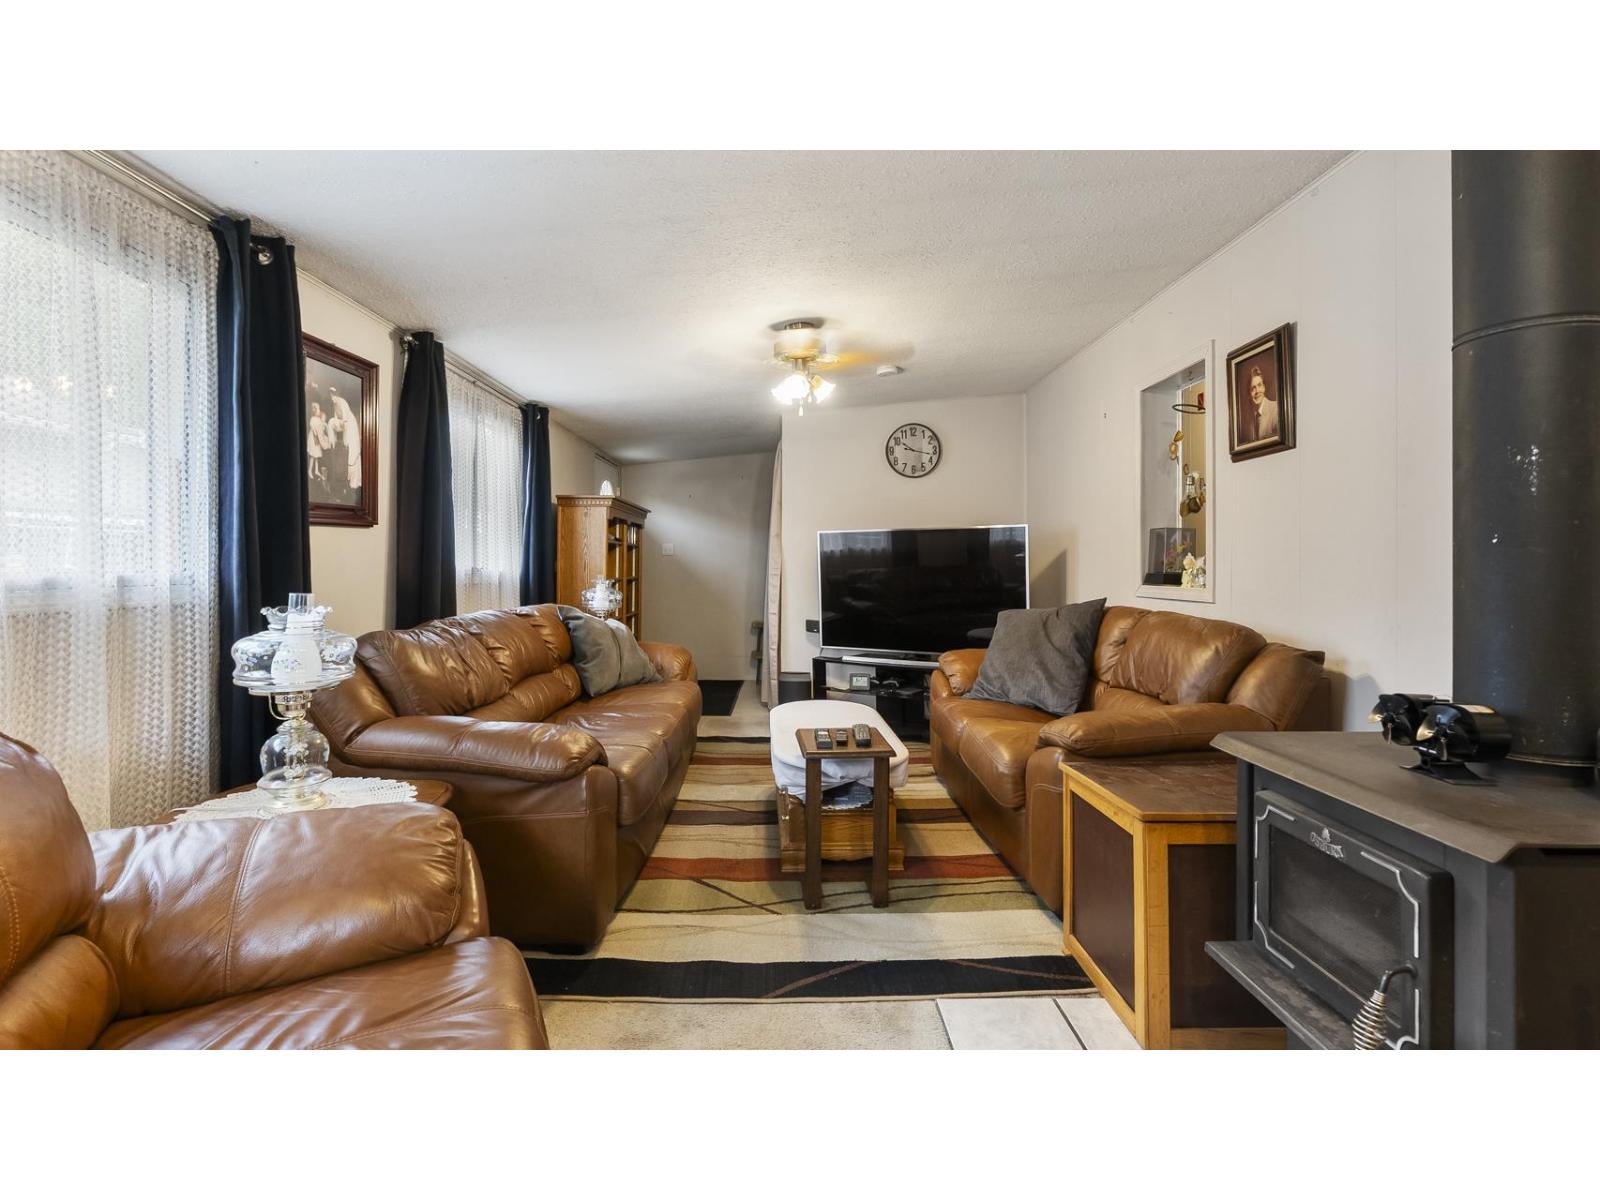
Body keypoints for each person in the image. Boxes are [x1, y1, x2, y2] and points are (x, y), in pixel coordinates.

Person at [329, 390, 362, 494]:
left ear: (337, 395)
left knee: (352, 450)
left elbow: (345, 422)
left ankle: (353, 480)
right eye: (331, 395)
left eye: (334, 395)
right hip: (344, 427)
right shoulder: (335, 405)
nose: (332, 397)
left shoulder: (343, 403)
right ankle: (332, 443)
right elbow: (336, 419)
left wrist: (345, 438)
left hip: (350, 426)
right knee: (330, 422)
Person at [1247, 364, 1279, 443]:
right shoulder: (1249, 418)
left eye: (1259, 385)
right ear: (1249, 393)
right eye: (1253, 388)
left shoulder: (1276, 409)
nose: (1257, 391)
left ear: (1264, 387)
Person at [307, 400, 330, 487]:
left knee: (317, 456)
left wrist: (323, 428)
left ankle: (316, 470)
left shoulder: (319, 419)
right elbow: (314, 429)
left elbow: (321, 429)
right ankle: (309, 470)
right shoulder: (313, 419)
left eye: (319, 409)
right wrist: (317, 434)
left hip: (317, 438)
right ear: (315, 410)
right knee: (313, 456)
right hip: (313, 438)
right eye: (317, 409)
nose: (319, 411)